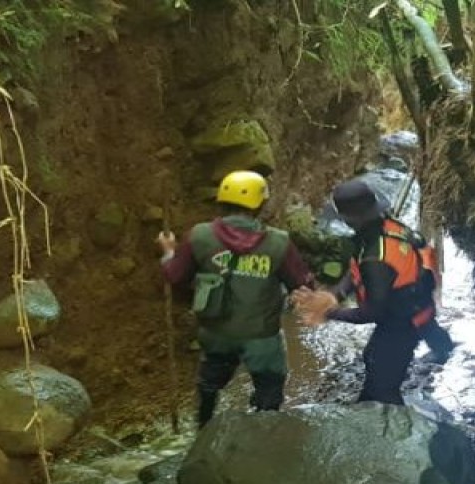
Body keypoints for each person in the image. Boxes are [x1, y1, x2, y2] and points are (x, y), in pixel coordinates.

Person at [158, 170, 314, 427]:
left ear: (221, 201)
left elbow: (175, 277)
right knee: (269, 390)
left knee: (210, 384)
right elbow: (302, 284)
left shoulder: (199, 236)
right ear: (260, 204)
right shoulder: (278, 242)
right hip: (261, 336)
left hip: (216, 331)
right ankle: (262, 434)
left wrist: (168, 253)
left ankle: (203, 431)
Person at [294, 179, 444, 404]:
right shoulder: (390, 228)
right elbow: (356, 271)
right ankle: (445, 352)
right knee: (436, 339)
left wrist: (329, 313)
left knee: (380, 386)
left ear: (346, 218)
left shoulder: (375, 259)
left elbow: (372, 313)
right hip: (422, 307)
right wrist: (334, 295)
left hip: (402, 324)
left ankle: (387, 425)